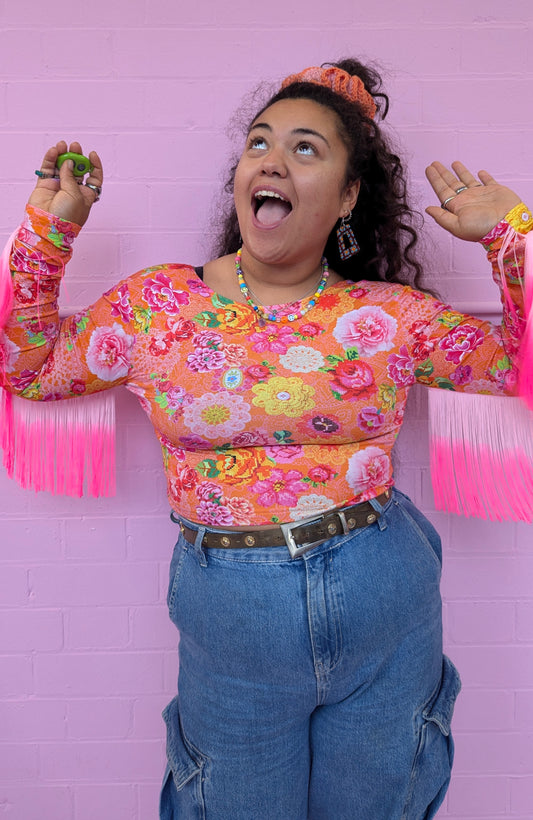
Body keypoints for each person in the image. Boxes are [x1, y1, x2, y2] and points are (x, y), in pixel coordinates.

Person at [1, 59, 531, 820]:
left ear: (347, 196)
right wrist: (48, 233)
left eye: (305, 148)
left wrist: (512, 236)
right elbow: (28, 369)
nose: (272, 160)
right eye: (259, 142)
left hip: (382, 587)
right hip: (231, 611)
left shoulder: (393, 315)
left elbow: (518, 365)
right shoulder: (156, 305)